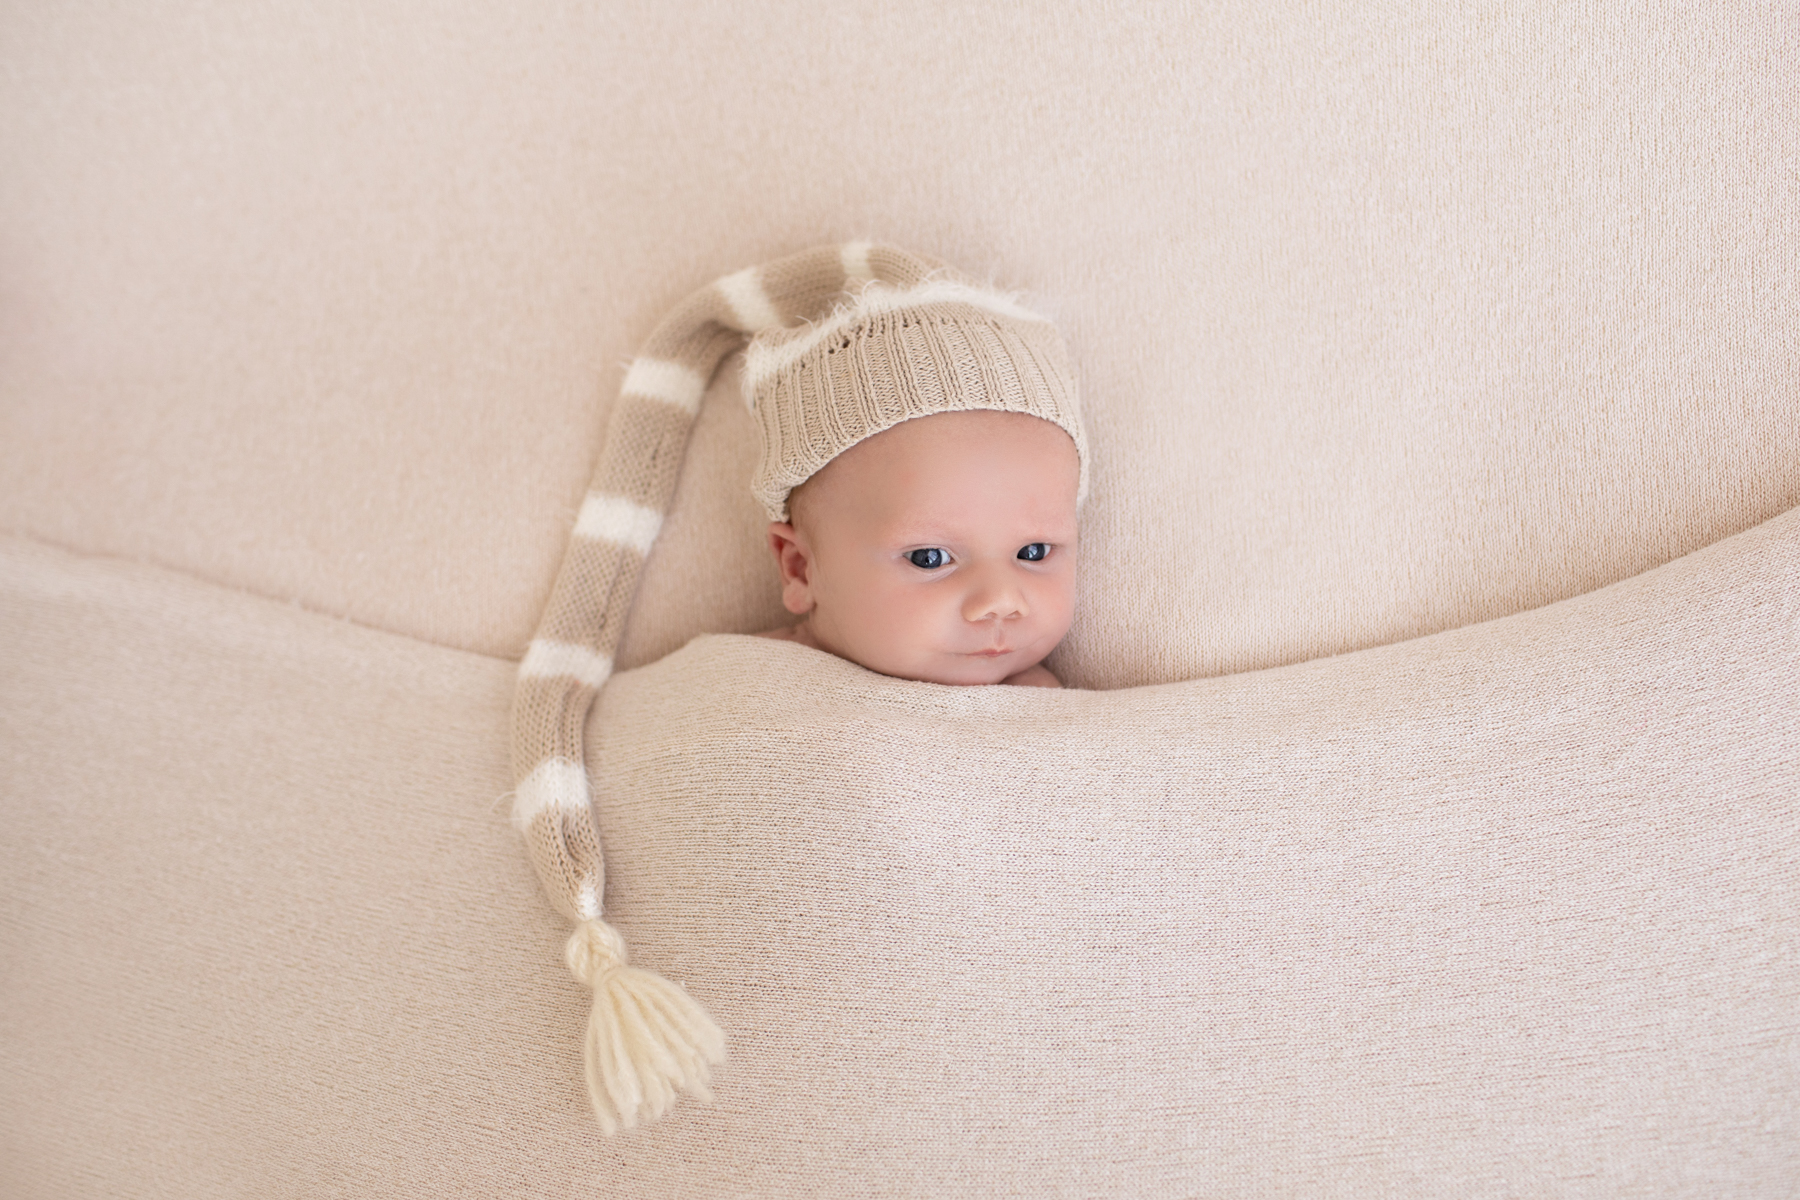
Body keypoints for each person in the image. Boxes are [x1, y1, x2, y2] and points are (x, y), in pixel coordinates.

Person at [738, 267, 1089, 687]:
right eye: (930, 558)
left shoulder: (1047, 712)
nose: (1000, 601)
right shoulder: (747, 682)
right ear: (801, 568)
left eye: (1033, 552)